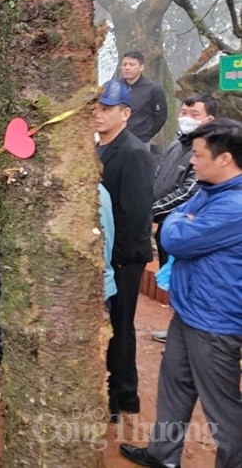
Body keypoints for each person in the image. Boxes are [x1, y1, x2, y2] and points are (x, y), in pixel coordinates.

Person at [120, 119, 242, 468]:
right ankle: (163, 455)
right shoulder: (211, 190)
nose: (191, 161)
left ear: (225, 159)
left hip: (217, 322)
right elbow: (178, 221)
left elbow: (174, 237)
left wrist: (177, 219)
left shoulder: (234, 206)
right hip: (190, 311)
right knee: (174, 387)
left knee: (221, 405)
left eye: (199, 155)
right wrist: (181, 217)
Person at [94, 79, 155, 421]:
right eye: (96, 109)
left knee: (120, 326)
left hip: (124, 259)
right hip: (104, 253)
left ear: (126, 113)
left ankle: (122, 397)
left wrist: (116, 259)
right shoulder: (97, 147)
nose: (99, 116)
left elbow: (136, 214)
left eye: (107, 110)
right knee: (106, 325)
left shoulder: (133, 153)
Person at [151, 93, 218, 266]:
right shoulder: (175, 145)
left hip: (182, 226)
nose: (187, 118)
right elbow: (158, 177)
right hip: (164, 227)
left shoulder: (208, 152)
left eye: (194, 114)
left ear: (209, 119)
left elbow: (188, 192)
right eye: (183, 112)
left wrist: (151, 211)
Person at [118, 51, 168, 145]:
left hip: (140, 141)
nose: (127, 68)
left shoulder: (153, 89)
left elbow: (160, 117)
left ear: (141, 67)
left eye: (132, 64)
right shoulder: (115, 87)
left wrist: (146, 134)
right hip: (116, 140)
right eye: (124, 65)